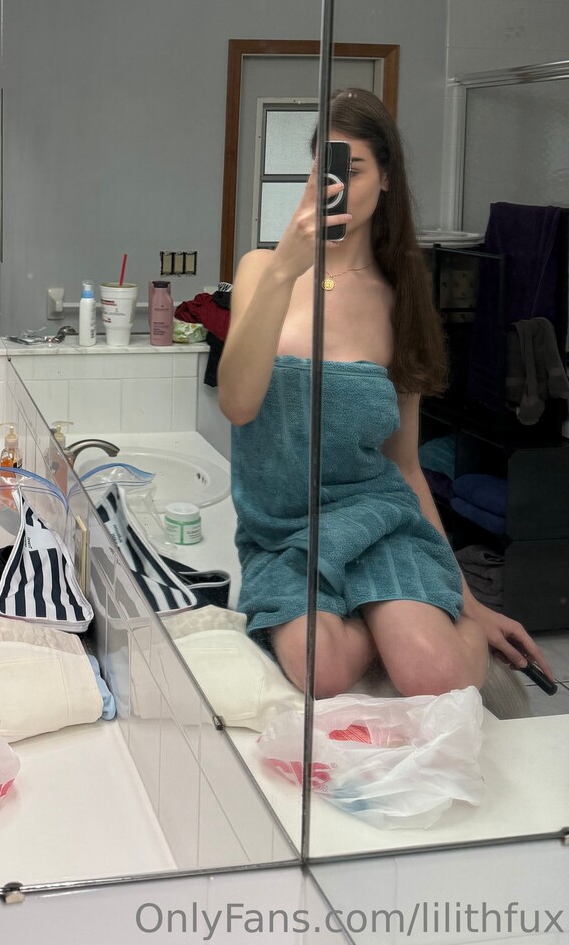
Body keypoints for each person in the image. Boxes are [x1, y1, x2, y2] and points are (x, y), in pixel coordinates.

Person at [217, 87, 552, 699]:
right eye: (323, 168)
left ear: (387, 179)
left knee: (432, 675)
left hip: (378, 518)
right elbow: (238, 405)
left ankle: (420, 612)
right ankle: (385, 614)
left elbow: (405, 465)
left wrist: (470, 603)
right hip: (285, 533)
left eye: (352, 169)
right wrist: (287, 267)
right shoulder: (262, 270)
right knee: (322, 671)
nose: (333, 185)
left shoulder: (399, 300)